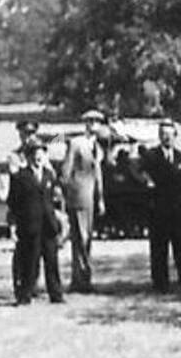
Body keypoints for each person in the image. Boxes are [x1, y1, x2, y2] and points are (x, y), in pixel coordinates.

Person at [137, 119, 181, 291]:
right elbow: (139, 171)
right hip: (158, 208)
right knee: (159, 248)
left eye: (170, 135)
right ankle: (160, 284)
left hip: (178, 209)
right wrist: (147, 182)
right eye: (163, 135)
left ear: (175, 136)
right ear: (159, 136)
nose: (167, 138)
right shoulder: (151, 156)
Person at [8, 139, 66, 305]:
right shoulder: (20, 177)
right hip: (29, 225)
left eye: (41, 154)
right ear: (28, 157)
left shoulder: (49, 175)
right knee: (29, 263)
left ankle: (56, 294)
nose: (38, 158)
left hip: (48, 225)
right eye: (34, 154)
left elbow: (55, 198)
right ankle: (25, 294)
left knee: (52, 262)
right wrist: (14, 225)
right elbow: (13, 202)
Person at [59, 110, 108, 293]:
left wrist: (101, 198)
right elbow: (66, 171)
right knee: (80, 238)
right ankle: (80, 279)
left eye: (97, 122)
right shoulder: (76, 143)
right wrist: (69, 194)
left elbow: (98, 175)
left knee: (87, 239)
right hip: (78, 196)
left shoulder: (98, 147)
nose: (94, 125)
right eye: (91, 122)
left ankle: (84, 277)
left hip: (91, 197)